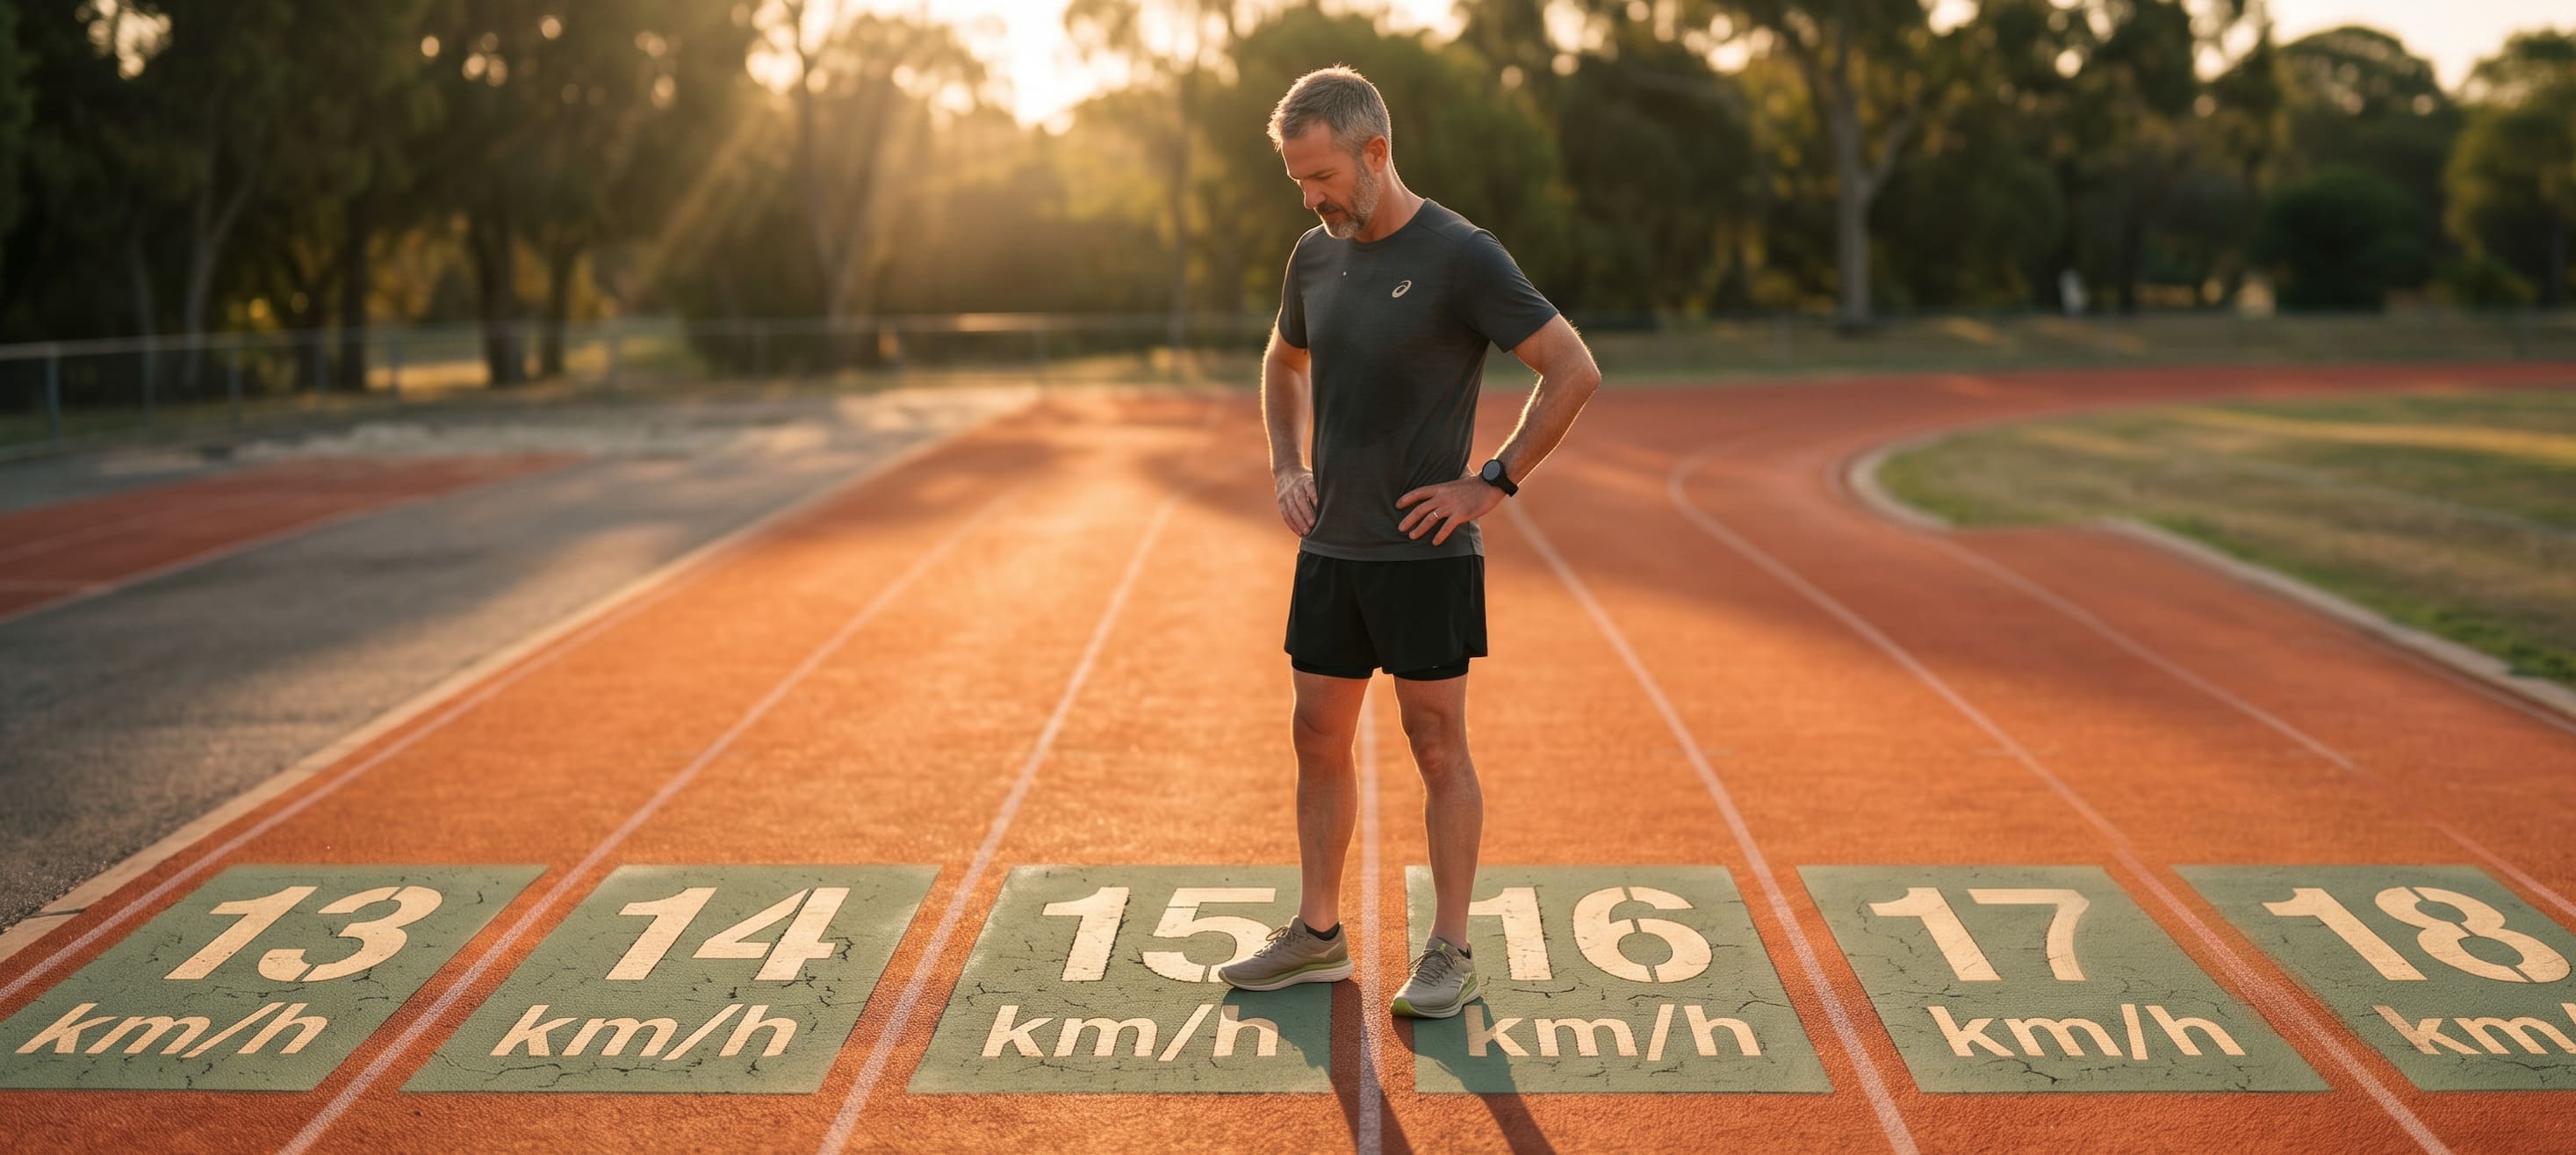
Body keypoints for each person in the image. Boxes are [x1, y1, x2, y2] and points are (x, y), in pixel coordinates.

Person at [1216, 67, 1601, 1020]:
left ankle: (1451, 948)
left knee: (1436, 743)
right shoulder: (1313, 257)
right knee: (1315, 735)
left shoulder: (1462, 255)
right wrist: (1284, 463)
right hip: (1332, 549)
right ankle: (1316, 937)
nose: (1311, 198)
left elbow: (1573, 367)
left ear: (1375, 152)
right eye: (1297, 181)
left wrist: (1493, 481)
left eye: (1322, 176)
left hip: (1426, 554)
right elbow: (1281, 357)